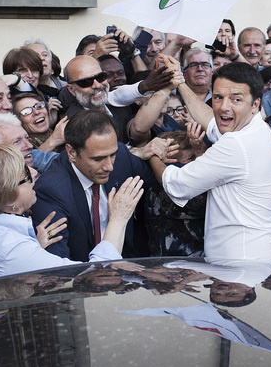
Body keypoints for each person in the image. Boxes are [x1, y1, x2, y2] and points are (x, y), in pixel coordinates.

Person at [147, 57, 271, 262]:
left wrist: (154, 154)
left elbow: (177, 183)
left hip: (241, 266)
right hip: (254, 257)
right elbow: (210, 120)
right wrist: (180, 82)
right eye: (218, 97)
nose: (223, 107)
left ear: (255, 104)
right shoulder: (255, 126)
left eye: (236, 99)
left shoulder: (237, 144)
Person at [0, 144, 144, 282]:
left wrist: (35, 248)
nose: (34, 173)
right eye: (26, 174)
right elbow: (97, 274)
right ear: (9, 200)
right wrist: (119, 218)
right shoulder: (12, 250)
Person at [30, 110, 173, 261]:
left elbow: (164, 182)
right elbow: (60, 269)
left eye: (112, 155)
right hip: (81, 277)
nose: (109, 167)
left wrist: (157, 155)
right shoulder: (50, 191)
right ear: (71, 152)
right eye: (98, 159)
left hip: (129, 267)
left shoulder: (122, 156)